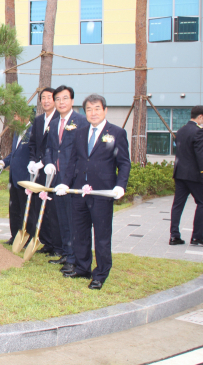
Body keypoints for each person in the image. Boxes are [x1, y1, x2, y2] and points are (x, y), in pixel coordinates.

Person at [55, 94, 130, 290]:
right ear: (85, 112)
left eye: (97, 108)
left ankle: (100, 273)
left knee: (102, 236)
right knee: (80, 233)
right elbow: (73, 161)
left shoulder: (116, 133)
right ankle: (82, 267)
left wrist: (120, 185)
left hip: (102, 193)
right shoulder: (80, 133)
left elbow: (124, 163)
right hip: (79, 192)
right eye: (89, 109)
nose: (93, 113)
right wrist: (65, 183)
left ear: (105, 110)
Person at [43, 85, 89, 275]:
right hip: (57, 177)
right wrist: (48, 163)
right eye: (58, 99)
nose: (61, 102)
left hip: (73, 179)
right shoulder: (54, 123)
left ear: (72, 100)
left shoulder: (81, 121)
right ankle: (66, 252)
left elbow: (83, 152)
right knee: (61, 217)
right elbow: (50, 149)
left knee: (73, 220)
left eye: (65, 98)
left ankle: (74, 258)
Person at [169, 105, 203, 247]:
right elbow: (200, 155)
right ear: (201, 117)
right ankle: (197, 236)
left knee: (178, 204)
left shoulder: (181, 130)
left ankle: (174, 236)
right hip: (194, 175)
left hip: (180, 173)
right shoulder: (199, 132)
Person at [27, 87, 62, 257]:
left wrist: (45, 162)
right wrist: (33, 161)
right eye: (43, 98)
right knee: (40, 206)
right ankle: (46, 241)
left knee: (53, 208)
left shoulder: (59, 118)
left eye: (50, 97)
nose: (46, 100)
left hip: (53, 169)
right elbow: (33, 142)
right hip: (39, 170)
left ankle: (58, 244)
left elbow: (56, 146)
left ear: (55, 100)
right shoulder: (39, 120)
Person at [0, 117, 33, 242]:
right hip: (14, 177)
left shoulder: (32, 131)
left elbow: (34, 154)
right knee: (14, 209)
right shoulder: (17, 132)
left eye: (18, 115)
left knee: (25, 210)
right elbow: (14, 153)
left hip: (26, 178)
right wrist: (4, 162)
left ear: (26, 115)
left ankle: (26, 238)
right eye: (15, 115)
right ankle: (15, 235)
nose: (15, 118)